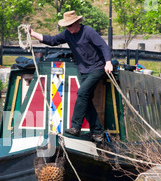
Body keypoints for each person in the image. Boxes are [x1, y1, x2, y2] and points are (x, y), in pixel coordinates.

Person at [29, 10, 113, 142]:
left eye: (70, 26)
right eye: (66, 27)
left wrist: (108, 62)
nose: (68, 29)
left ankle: (75, 127)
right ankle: (98, 132)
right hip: (84, 70)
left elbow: (103, 46)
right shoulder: (67, 34)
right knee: (86, 101)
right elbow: (52, 40)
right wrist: (33, 34)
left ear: (77, 23)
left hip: (97, 68)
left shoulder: (88, 31)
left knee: (81, 94)